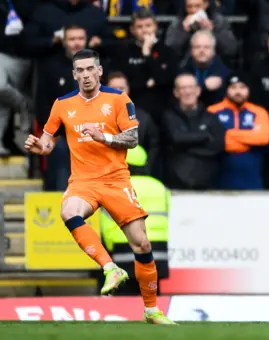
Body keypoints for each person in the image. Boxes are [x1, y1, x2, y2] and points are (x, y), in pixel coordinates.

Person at [23, 49, 174, 325]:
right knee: (69, 211)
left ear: (99, 71)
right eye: (79, 71)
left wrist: (102, 135)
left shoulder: (117, 99)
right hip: (83, 180)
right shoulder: (62, 104)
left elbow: (132, 139)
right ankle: (110, 267)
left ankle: (151, 309)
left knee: (141, 243)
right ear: (74, 75)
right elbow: (48, 141)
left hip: (116, 179)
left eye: (89, 69)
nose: (85, 75)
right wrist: (39, 147)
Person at [99, 145, 170, 297]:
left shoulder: (116, 187)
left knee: (126, 300)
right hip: (157, 252)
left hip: (126, 249)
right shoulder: (160, 187)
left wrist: (111, 249)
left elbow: (107, 225)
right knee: (153, 300)